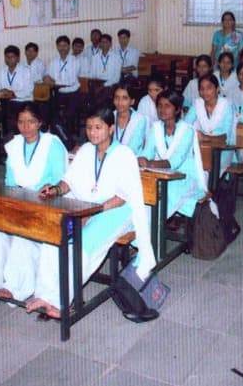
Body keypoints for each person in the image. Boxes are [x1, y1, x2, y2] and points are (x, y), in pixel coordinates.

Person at [28, 108, 156, 318]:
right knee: (53, 239)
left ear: (111, 128)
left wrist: (91, 214)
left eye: (98, 127)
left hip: (117, 210)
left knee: (83, 246)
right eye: (89, 128)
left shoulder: (124, 154)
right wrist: (56, 189)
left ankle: (61, 300)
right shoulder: (86, 150)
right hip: (86, 207)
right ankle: (44, 294)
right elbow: (69, 180)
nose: (93, 133)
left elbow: (123, 197)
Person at [0, 103, 67, 302]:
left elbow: (61, 182)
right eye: (21, 122)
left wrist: (49, 190)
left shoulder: (52, 144)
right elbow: (9, 183)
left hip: (47, 205)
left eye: (31, 121)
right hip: (20, 202)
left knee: (23, 235)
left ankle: (15, 287)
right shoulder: (14, 145)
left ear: (40, 122)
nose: (26, 126)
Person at [139, 90, 207, 219]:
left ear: (177, 110)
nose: (162, 109)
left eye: (167, 106)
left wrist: (149, 163)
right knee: (145, 189)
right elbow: (147, 152)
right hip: (163, 174)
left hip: (185, 177)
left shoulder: (187, 130)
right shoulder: (156, 128)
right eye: (159, 105)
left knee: (165, 192)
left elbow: (176, 161)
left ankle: (154, 227)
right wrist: (140, 159)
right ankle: (150, 225)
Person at [185, 74, 236, 178]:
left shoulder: (226, 106)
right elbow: (186, 126)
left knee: (207, 163)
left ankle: (210, 189)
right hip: (201, 147)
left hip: (222, 149)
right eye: (202, 89)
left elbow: (225, 138)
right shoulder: (197, 104)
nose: (205, 92)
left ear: (217, 89)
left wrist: (204, 137)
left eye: (209, 88)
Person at [43, 35, 82, 136]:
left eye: (65, 45)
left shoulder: (75, 61)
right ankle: (55, 132)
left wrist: (54, 81)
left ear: (69, 47)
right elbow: (46, 76)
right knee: (47, 109)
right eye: (60, 46)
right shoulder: (54, 61)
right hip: (59, 93)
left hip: (73, 92)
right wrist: (48, 79)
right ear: (57, 47)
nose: (62, 48)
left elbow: (70, 81)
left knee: (68, 115)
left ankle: (69, 136)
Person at [0, 45, 33, 135]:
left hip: (23, 102)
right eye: (7, 57)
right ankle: (3, 139)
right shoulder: (2, 71)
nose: (9, 59)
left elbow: (28, 91)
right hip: (7, 102)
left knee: (8, 113)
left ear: (18, 58)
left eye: (12, 57)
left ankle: (13, 136)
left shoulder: (26, 71)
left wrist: (12, 93)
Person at [112, 82, 147, 155]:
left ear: (132, 101)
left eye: (124, 98)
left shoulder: (139, 120)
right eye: (117, 97)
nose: (119, 102)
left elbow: (133, 148)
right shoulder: (110, 116)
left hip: (132, 160)